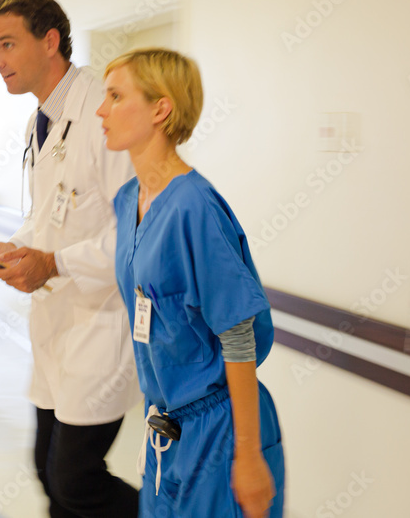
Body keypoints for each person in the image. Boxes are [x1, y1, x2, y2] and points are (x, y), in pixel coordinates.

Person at [0, 0, 141, 518]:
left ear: (49, 41)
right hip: (56, 326)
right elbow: (50, 215)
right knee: (48, 470)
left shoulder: (102, 116)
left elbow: (134, 232)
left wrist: (55, 263)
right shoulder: (39, 120)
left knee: (77, 480)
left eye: (6, 44)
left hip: (101, 325)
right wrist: (14, 248)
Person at [95, 47, 285, 518]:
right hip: (165, 427)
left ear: (161, 109)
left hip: (220, 430)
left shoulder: (194, 207)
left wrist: (248, 453)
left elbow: (238, 333)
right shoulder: (127, 201)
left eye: (117, 96)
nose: (102, 110)